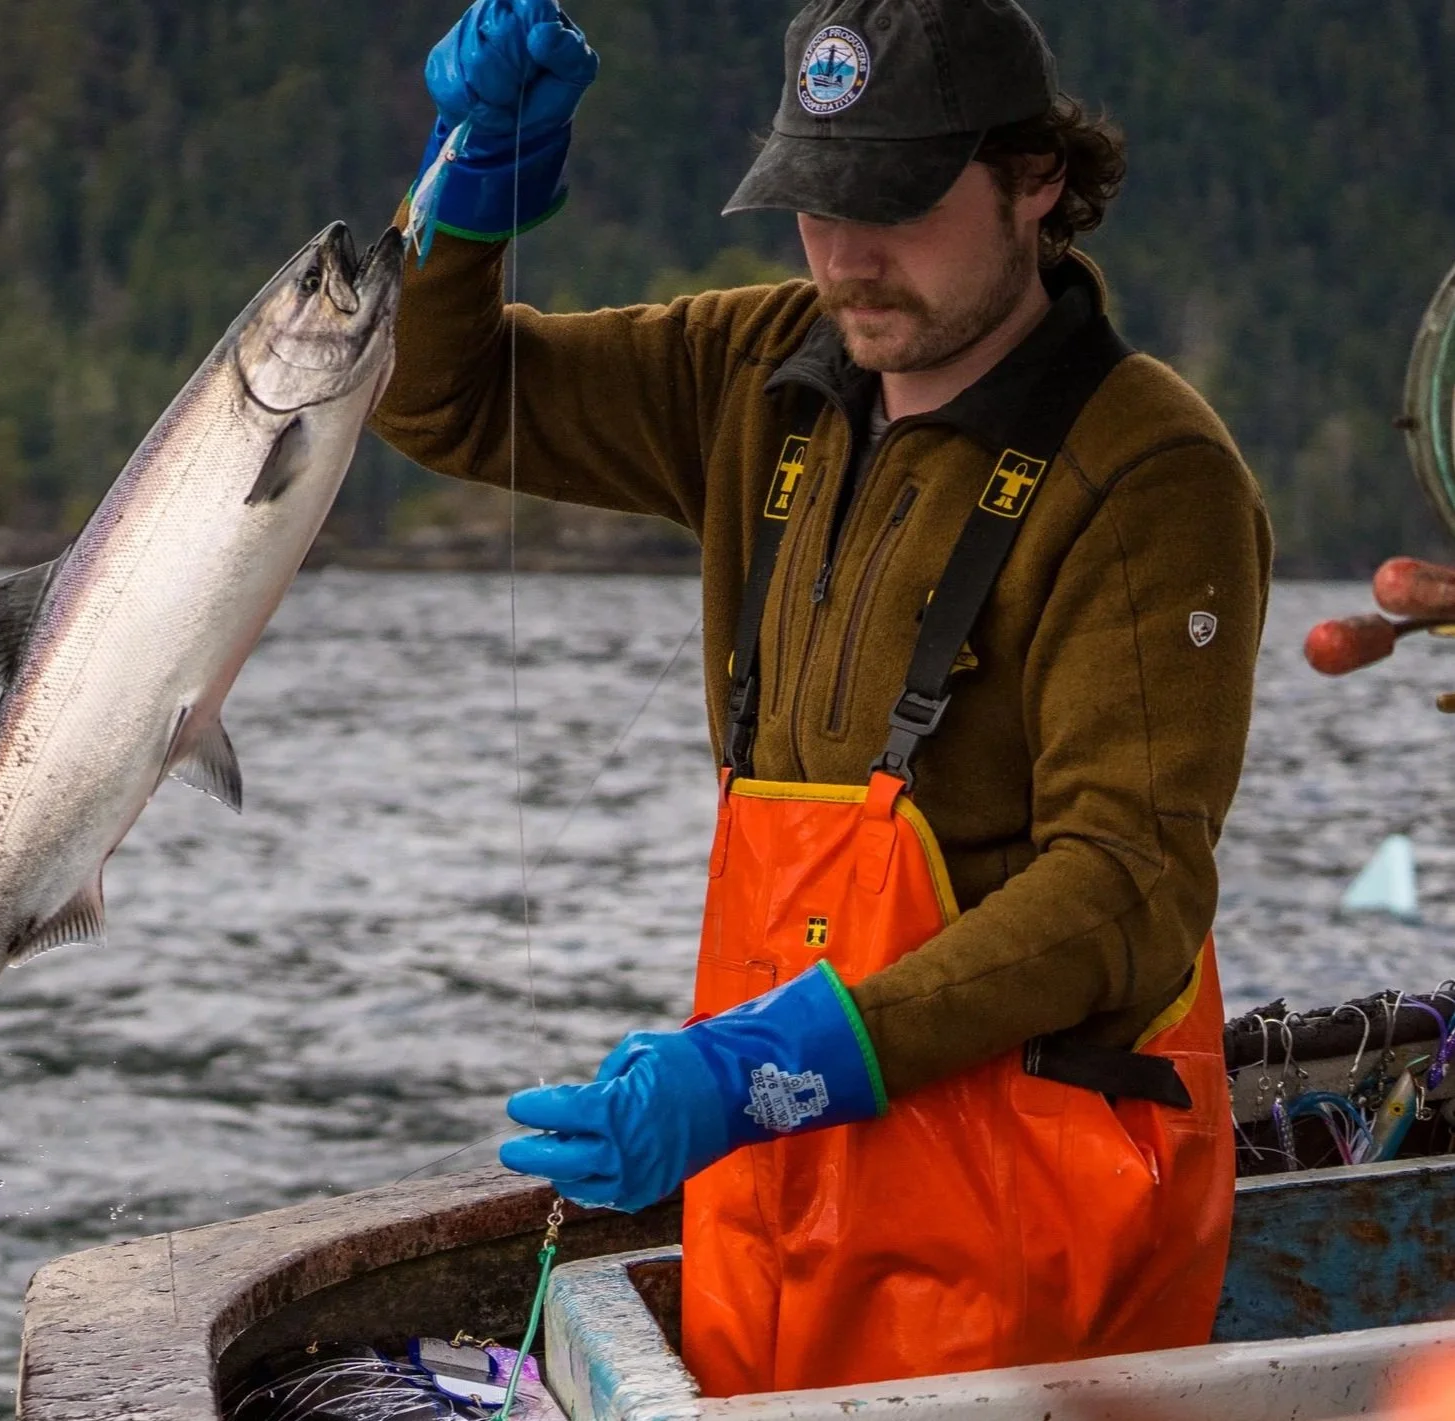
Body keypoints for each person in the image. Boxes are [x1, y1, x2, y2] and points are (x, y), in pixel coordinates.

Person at [372, 0, 1274, 1398]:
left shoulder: (1151, 473)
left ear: (1033, 180)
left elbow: (1126, 883)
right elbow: (442, 397)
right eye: (813, 204)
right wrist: (462, 196)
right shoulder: (759, 373)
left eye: (896, 206)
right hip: (773, 1197)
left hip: (1023, 1233)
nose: (846, 260)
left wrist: (773, 1063)